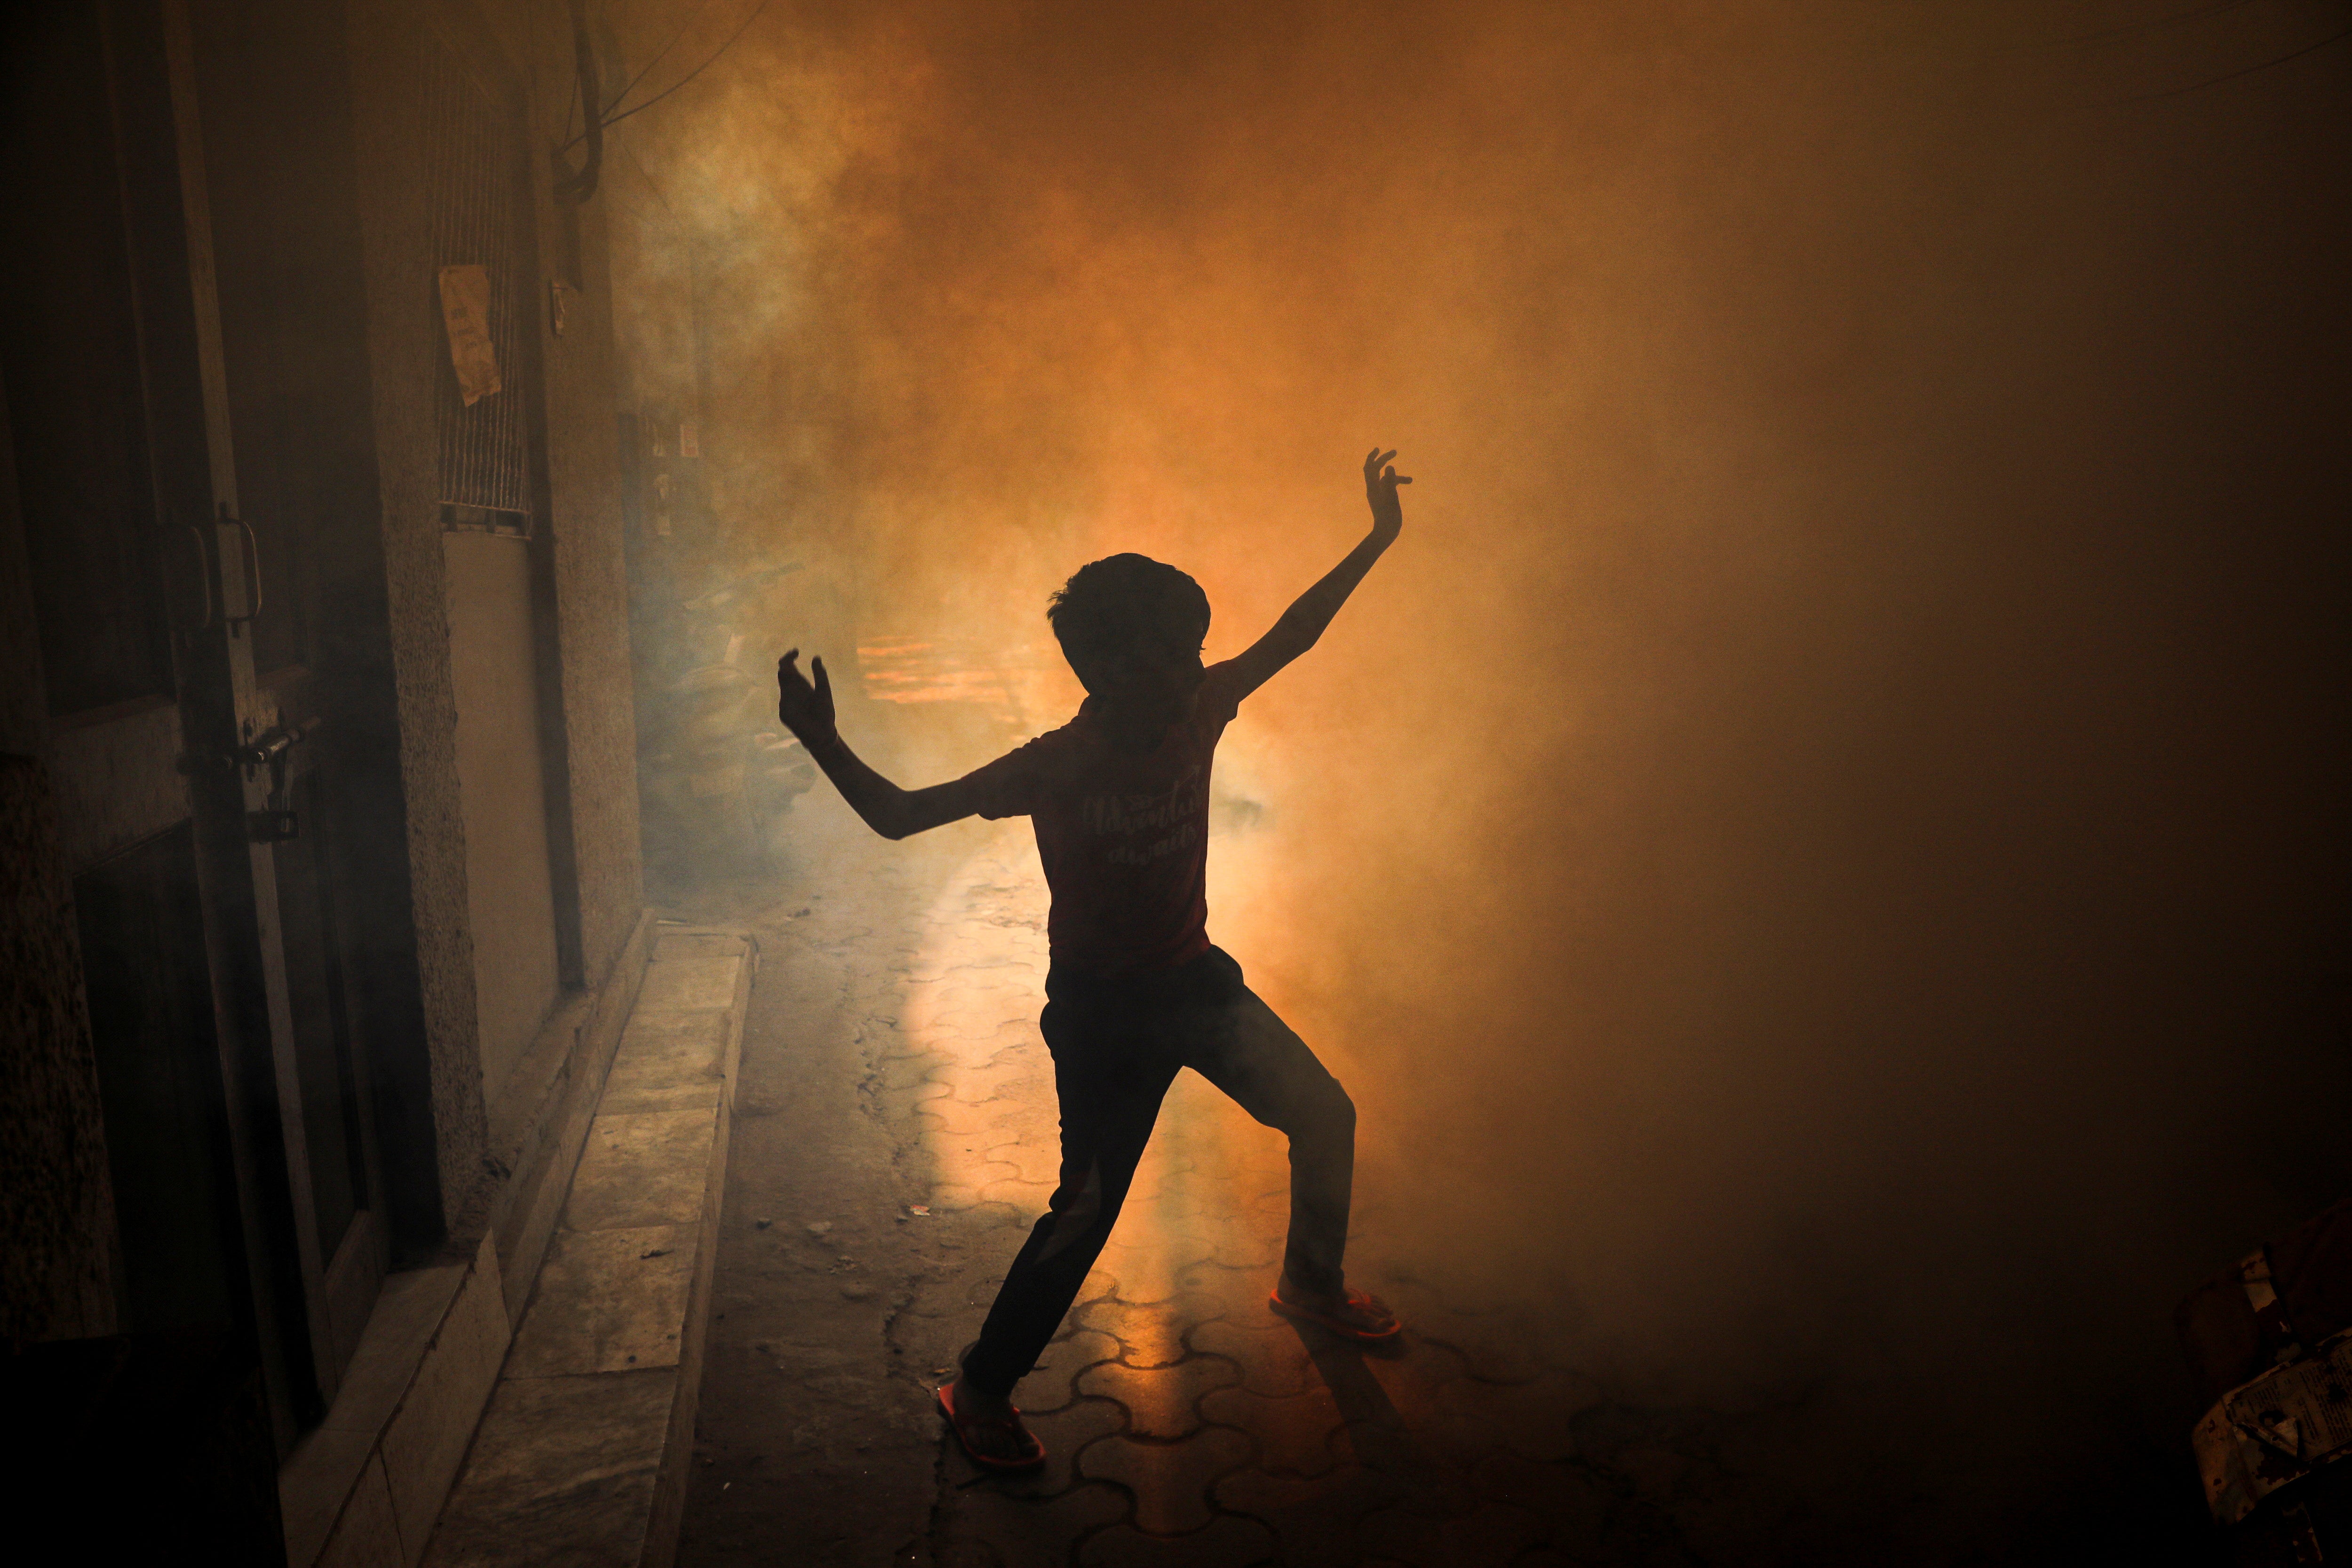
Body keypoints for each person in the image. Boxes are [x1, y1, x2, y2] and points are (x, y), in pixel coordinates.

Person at [773, 448, 1414, 1469]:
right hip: (1102, 1016)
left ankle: (1310, 1283)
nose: (1198, 669)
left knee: (1324, 1112)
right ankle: (979, 1385)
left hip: (1196, 982)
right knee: (1085, 1212)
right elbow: (897, 816)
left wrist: (1377, 536)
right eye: (1174, 655)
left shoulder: (1198, 703)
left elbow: (1294, 632)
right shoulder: (1054, 763)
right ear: (1105, 670)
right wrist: (818, 739)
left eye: (1195, 651)